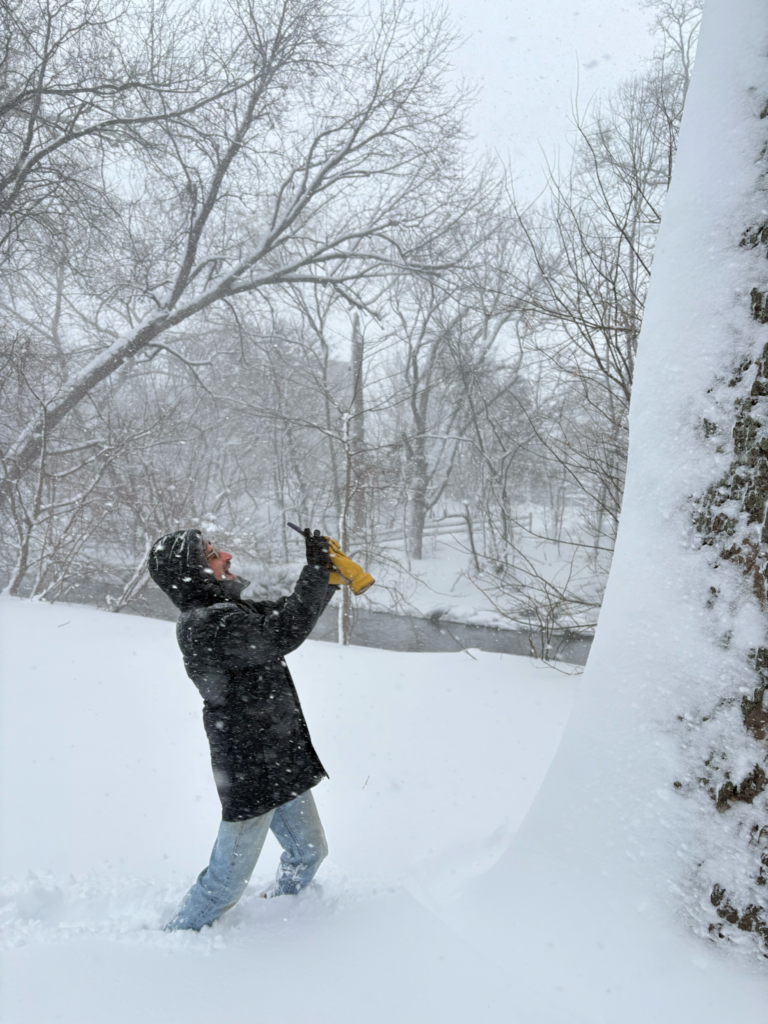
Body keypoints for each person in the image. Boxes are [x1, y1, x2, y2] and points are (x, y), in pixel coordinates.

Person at [148, 527, 341, 931]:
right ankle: (175, 941)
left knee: (309, 852)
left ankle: (286, 911)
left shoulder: (226, 611)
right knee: (224, 885)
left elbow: (285, 612)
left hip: (280, 756)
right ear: (193, 571)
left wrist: (325, 576)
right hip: (251, 766)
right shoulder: (205, 624)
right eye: (214, 554)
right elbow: (283, 631)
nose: (227, 555)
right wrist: (316, 568)